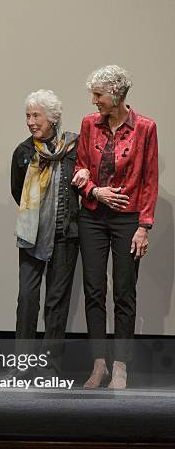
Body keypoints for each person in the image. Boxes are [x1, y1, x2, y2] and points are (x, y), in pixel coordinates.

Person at [72, 65, 158, 389]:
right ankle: (99, 365)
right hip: (93, 215)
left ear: (117, 95)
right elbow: (81, 165)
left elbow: (149, 179)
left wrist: (144, 226)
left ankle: (120, 366)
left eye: (99, 95)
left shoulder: (145, 128)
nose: (94, 102)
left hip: (127, 218)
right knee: (94, 290)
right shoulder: (88, 124)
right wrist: (93, 190)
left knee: (124, 292)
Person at [11, 90, 79, 373]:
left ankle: (50, 366)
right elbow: (18, 192)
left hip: (66, 233)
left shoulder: (75, 148)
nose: (30, 121)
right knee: (27, 299)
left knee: (56, 301)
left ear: (53, 118)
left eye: (36, 115)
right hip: (32, 234)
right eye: (28, 115)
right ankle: (23, 365)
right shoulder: (24, 151)